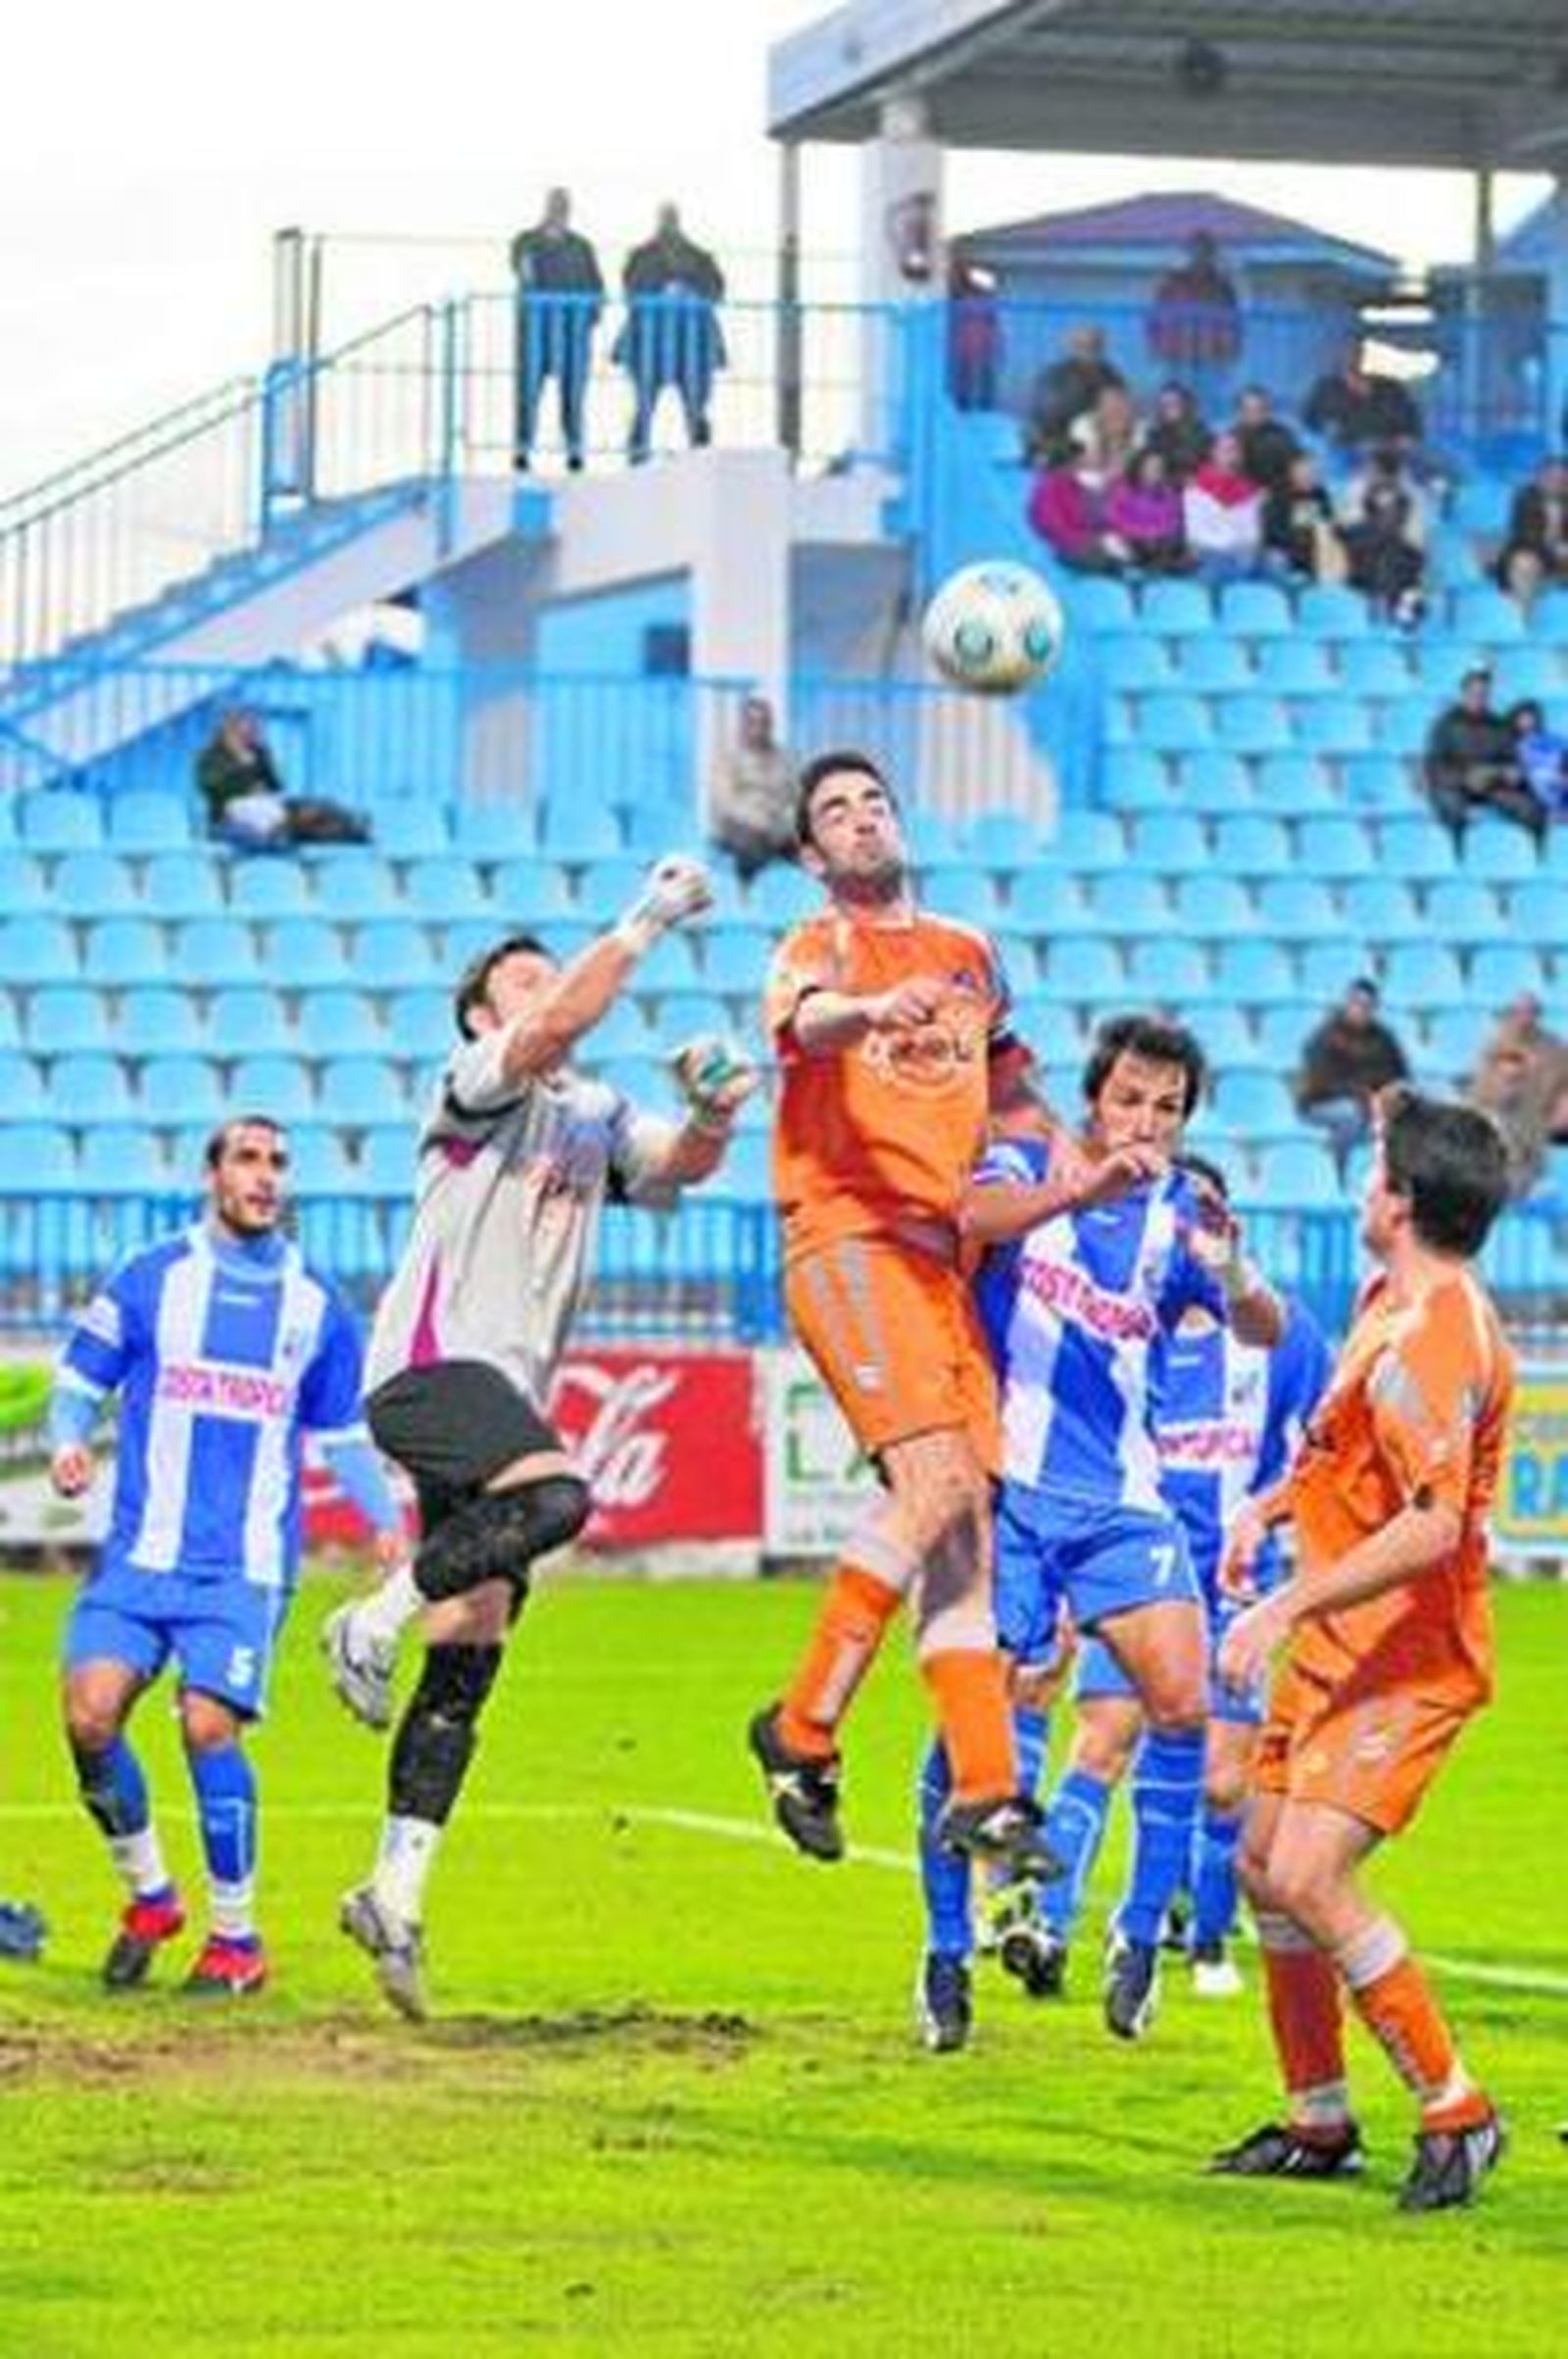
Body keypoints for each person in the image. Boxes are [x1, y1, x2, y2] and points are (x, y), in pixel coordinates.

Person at [322, 861, 756, 2017]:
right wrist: (649, 919)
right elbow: (560, 1016)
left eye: (544, 973)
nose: (546, 988)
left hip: (497, 1395)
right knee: (562, 1499)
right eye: (523, 978)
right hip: (426, 1371)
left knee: (474, 1649)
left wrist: (717, 1107)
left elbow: (678, 1169)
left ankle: (392, 1893)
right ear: (481, 1014)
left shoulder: (593, 1113)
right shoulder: (473, 1082)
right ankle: (367, 1615)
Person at [913, 1016, 1284, 2051]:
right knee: (975, 1718)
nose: (1146, 1121)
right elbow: (970, 1210)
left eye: (1166, 1108)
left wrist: (1232, 1267)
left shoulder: (1178, 1215)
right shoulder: (1031, 1161)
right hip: (1006, 1487)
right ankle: (945, 1952)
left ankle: (1133, 1933)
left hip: (1122, 1496)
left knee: (1181, 1698)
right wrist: (1082, 1186)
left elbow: (1263, 1329)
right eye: (1130, 1098)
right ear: (1096, 1098)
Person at [746, 752, 1062, 1899]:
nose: (861, 818)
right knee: (934, 1488)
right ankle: (799, 1727)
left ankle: (983, 1791)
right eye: (835, 811)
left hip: (946, 1262)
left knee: (962, 1523)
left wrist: (1065, 1169)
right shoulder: (817, 946)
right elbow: (809, 1023)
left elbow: (1017, 1088)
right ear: (810, 854)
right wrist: (873, 1008)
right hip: (848, 1234)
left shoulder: (971, 950)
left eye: (873, 800)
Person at [1210, 1088, 1514, 2214]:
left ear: (1399, 1200)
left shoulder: (1443, 1337)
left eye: (1373, 1165)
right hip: (1343, 1637)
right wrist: (1273, 1508)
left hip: (1409, 1652)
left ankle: (1456, 2105)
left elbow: (1433, 1522)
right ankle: (1319, 2117)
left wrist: (1279, 1605)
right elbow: (1346, 1456)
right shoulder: (1390, 1297)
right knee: (1259, 1863)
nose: (1358, 1180)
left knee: (1304, 1872)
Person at [48, 1117, 404, 1996]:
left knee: (207, 1723)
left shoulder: (315, 1303)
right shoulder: (151, 1276)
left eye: (278, 1162)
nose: (266, 1176)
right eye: (248, 1158)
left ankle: (237, 1941)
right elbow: (81, 1375)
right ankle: (151, 1897)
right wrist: (67, 1441)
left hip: (242, 1567)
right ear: (212, 1174)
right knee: (90, 1716)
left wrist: (386, 1520)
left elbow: (344, 1429)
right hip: (141, 1557)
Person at [1008, 1155, 1332, 2007]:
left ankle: (1201, 1933)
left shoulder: (1283, 1337)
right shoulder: (1120, 1326)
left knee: (1224, 1780)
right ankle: (1049, 1922)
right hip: (1139, 1569)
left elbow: (1327, 1455)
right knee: (1102, 1743)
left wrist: (1264, 1516)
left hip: (1231, 1586)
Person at [616, 205, 726, 464]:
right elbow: (631, 290)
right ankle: (637, 459)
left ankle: (700, 460)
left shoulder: (700, 258)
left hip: (691, 345)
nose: (669, 225)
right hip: (649, 344)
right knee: (644, 406)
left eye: (672, 219)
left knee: (696, 409)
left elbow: (716, 290)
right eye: (666, 219)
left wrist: (689, 292)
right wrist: (662, 291)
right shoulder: (640, 257)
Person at [510, 186, 604, 473]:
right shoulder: (526, 241)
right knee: (528, 392)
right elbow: (522, 270)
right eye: (554, 205)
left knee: (573, 395)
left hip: (572, 333)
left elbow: (596, 287)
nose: (559, 210)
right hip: (536, 332)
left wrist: (588, 319)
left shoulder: (582, 247)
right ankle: (522, 449)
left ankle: (575, 451)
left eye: (563, 206)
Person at [194, 710, 370, 850]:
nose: (251, 734)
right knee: (260, 831)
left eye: (254, 729)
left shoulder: (259, 753)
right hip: (229, 817)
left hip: (268, 807)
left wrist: (260, 762)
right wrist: (242, 766)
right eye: (244, 729)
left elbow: (276, 786)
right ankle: (278, 834)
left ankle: (351, 827)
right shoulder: (210, 756)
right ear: (228, 730)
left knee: (318, 808)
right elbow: (211, 787)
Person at [1295, 978, 1409, 1181]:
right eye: (1356, 1004)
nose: (1361, 1010)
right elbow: (1320, 1083)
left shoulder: (1384, 1040)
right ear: (1347, 1004)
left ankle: (1392, 1183)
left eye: (1367, 1006)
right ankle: (1336, 1176)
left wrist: (1383, 1098)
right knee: (1349, 1115)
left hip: (1371, 1103)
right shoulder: (1325, 1037)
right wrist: (1359, 1096)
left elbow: (1399, 1077)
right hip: (1321, 1103)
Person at [1422, 666, 1546, 851]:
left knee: (1530, 809)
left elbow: (1512, 759)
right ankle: (1460, 860)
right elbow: (1435, 767)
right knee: (1453, 810)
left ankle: (1537, 857)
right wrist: (1465, 778)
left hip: (1492, 784)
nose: (1479, 698)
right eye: (1474, 693)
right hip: (1456, 786)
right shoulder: (1445, 725)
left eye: (1484, 694)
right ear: (1463, 693)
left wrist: (1508, 773)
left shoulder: (1497, 725)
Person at [1465, 992, 1568, 1199]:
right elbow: (1480, 1094)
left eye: (1530, 1012)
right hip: (1501, 1123)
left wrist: (1561, 1107)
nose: (1524, 1018)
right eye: (1519, 1012)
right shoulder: (1495, 1047)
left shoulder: (1554, 1048)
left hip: (1538, 1123)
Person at [1147, 231, 1242, 416]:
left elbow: (1233, 322)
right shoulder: (1172, 282)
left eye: (1206, 252)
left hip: (1211, 355)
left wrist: (1232, 347)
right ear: (1188, 253)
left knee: (1209, 402)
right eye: (1195, 251)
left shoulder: (1222, 286)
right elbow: (1155, 316)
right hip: (1175, 354)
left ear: (1213, 255)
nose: (1200, 257)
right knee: (1171, 397)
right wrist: (1155, 344)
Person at [710, 694, 797, 881]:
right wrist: (761, 822)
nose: (759, 728)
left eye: (764, 722)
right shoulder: (728, 759)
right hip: (743, 827)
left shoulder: (784, 758)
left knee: (810, 847)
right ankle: (749, 901)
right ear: (743, 726)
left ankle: (803, 899)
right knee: (751, 843)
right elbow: (726, 804)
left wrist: (785, 822)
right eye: (753, 722)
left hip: (779, 827)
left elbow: (797, 796)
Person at [1339, 443, 1427, 626]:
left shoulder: (1411, 495)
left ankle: (1403, 617)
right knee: (1382, 550)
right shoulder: (1356, 490)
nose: (1366, 471)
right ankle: (1387, 611)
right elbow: (1348, 527)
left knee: (1402, 562)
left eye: (1370, 468)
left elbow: (1417, 538)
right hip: (1362, 558)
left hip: (1400, 561)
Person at [1023, 326, 1126, 467]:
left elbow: (1121, 413)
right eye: (1081, 345)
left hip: (1101, 445)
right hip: (1062, 443)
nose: (1088, 351)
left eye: (1094, 346)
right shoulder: (1054, 376)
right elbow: (1045, 418)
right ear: (1072, 347)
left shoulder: (1112, 376)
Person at [1303, 341, 1422, 459]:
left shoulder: (1394, 392)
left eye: (1364, 377)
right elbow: (1306, 429)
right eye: (1351, 373)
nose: (1358, 383)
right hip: (1337, 462)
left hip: (1383, 463)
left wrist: (1385, 447)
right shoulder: (1326, 390)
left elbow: (1411, 438)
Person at [1182, 429, 1264, 582]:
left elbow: (1252, 533)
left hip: (1239, 552)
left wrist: (1240, 547)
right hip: (1208, 551)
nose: (1230, 455)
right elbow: (1194, 533)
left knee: (1267, 562)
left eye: (1234, 450)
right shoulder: (1196, 488)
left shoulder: (1249, 490)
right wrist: (1224, 547)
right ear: (1213, 453)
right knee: (1214, 569)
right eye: (1224, 450)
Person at [1026, 446, 1123, 572]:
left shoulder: (1078, 484)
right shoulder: (1052, 486)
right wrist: (1091, 539)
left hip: (1088, 539)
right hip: (1069, 546)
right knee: (1104, 560)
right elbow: (1052, 524)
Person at [1262, 450, 1347, 583]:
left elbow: (1331, 522)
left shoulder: (1320, 494)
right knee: (1277, 558)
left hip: (1315, 549)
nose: (1311, 475)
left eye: (1314, 471)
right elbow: (1273, 532)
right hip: (1286, 550)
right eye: (1306, 471)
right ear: (1292, 472)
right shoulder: (1278, 496)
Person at [1495, 455, 1568, 604]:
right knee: (1525, 563)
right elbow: (1524, 535)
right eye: (1552, 478)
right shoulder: (1525, 497)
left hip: (1560, 554)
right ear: (1540, 478)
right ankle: (1522, 613)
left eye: (1563, 479)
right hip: (1529, 550)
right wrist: (1555, 547)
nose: (1558, 483)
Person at [1104, 447, 1189, 573]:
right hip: (1132, 541)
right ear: (1140, 468)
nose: (1154, 471)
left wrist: (1157, 533)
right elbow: (1116, 519)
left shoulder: (1168, 492)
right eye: (1150, 466)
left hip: (1161, 543)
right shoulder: (1124, 490)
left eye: (1158, 467)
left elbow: (1175, 521)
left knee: (1173, 547)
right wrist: (1142, 533)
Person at [947, 256, 1003, 412]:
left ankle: (985, 407)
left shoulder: (988, 304)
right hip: (966, 345)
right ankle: (964, 406)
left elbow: (993, 325)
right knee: (966, 377)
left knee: (985, 377)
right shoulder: (963, 301)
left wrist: (996, 345)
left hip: (982, 346)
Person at [1508, 699, 1568, 828]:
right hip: (1533, 780)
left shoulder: (1551, 738)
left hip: (1558, 774)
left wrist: (1564, 772)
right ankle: (1555, 811)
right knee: (1540, 777)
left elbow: (1564, 753)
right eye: (1522, 718)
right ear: (1515, 721)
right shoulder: (1512, 743)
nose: (1527, 722)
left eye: (1530, 717)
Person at [1232, 385, 1299, 497]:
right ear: (1238, 412)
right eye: (1248, 409)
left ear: (1269, 411)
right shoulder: (1230, 439)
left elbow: (1295, 473)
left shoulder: (1282, 437)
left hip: (1276, 495)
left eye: (1260, 409)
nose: (1254, 414)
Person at [1140, 380, 1210, 484]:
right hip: (1165, 487)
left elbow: (1204, 462)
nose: (1170, 408)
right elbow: (1152, 465)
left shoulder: (1201, 432)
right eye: (1165, 405)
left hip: (1197, 486)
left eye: (1175, 403)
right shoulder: (1155, 435)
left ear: (1185, 404)